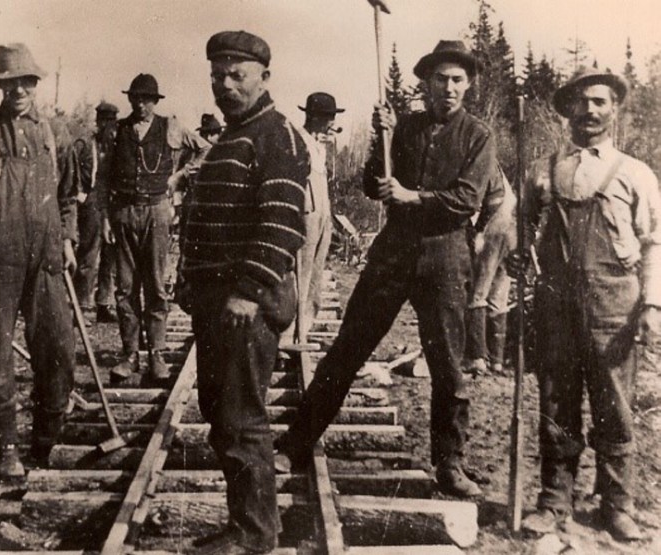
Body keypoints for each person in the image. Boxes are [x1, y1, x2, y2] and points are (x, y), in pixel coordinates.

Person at [274, 40, 497, 499]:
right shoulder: (405, 127)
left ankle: (450, 464)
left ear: (468, 85)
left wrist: (413, 196)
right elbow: (374, 185)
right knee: (348, 349)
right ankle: (296, 443)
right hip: (393, 252)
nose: (449, 88)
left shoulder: (478, 135)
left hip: (445, 256)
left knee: (448, 366)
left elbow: (467, 200)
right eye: (440, 79)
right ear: (426, 83)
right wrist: (383, 140)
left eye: (457, 80)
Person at [510, 67, 661, 541]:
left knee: (614, 404)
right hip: (556, 303)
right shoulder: (544, 168)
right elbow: (521, 229)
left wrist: (653, 305)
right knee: (557, 399)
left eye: (600, 102)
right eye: (582, 102)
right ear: (568, 109)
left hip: (615, 303)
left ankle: (617, 503)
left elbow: (654, 243)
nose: (590, 110)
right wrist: (518, 258)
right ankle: (554, 501)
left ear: (613, 109)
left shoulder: (635, 173)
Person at [176, 30, 308, 554]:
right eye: (217, 76)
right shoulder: (234, 135)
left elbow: (282, 223)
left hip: (244, 305)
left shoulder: (276, 134)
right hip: (220, 302)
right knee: (223, 411)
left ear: (264, 78)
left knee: (240, 416)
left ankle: (254, 536)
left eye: (237, 75)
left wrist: (249, 289)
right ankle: (248, 525)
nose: (225, 85)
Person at [0, 43, 78, 477]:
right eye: (10, 82)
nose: (19, 89)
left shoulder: (52, 133)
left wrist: (68, 240)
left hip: (45, 259)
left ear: (35, 84)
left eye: (26, 81)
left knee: (58, 348)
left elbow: (66, 197)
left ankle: (45, 440)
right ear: (0, 86)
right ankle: (6, 448)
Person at [99, 73, 208, 383]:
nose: (140, 104)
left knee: (156, 284)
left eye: (146, 99)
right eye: (135, 98)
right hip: (123, 212)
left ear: (155, 101)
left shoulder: (170, 127)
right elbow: (103, 179)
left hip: (157, 211)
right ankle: (130, 354)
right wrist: (106, 218)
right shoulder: (117, 131)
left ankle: (157, 354)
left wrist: (180, 176)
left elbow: (205, 149)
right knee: (125, 287)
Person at [279, 92, 342, 345]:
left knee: (315, 276)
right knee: (299, 275)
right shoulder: (296, 140)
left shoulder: (319, 145)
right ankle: (286, 336)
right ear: (314, 117)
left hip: (322, 214)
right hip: (305, 214)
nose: (330, 123)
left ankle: (302, 332)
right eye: (328, 118)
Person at [463, 164, 515, 375]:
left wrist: (479, 231)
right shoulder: (496, 166)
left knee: (478, 292)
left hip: (497, 223)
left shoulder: (483, 162)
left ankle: (476, 358)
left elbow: (493, 199)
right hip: (512, 227)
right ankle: (497, 361)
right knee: (498, 297)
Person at [73, 102, 118, 324]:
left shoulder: (117, 146)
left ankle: (104, 303)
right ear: (98, 122)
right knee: (89, 253)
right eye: (104, 121)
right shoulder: (86, 144)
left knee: (110, 255)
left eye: (111, 122)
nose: (108, 126)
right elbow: (74, 173)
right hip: (92, 202)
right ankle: (81, 306)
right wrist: (79, 194)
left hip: (113, 203)